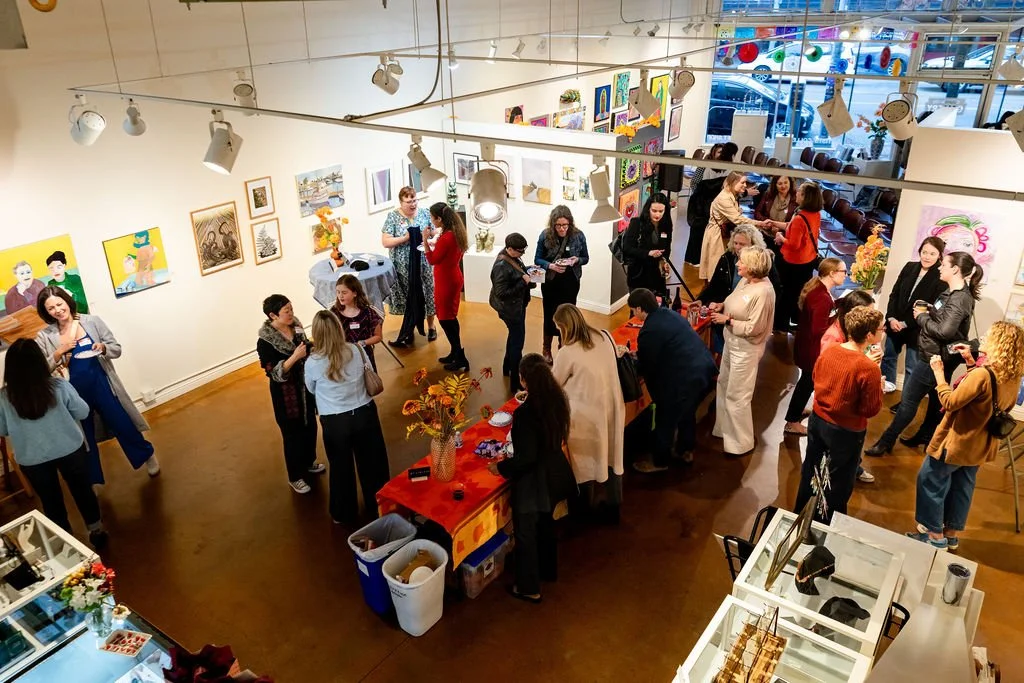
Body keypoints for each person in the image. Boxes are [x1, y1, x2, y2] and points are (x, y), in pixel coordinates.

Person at [906, 321, 1024, 551]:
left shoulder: (982, 374)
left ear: (999, 343)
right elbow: (983, 397)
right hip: (980, 445)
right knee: (962, 486)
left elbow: (950, 401)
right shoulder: (1011, 376)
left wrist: (939, 375)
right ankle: (951, 534)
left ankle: (934, 535)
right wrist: (971, 363)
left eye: (991, 335)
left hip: (957, 442)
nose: (985, 337)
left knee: (930, 480)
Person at [35, 286, 159, 486]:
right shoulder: (44, 336)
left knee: (123, 423)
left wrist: (103, 348)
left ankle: (147, 455)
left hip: (102, 384)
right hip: (73, 394)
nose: (57, 310)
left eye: (59, 304)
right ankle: (91, 479)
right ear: (45, 312)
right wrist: (58, 353)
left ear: (67, 301)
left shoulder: (91, 321)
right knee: (84, 439)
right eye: (51, 308)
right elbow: (42, 369)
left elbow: (116, 349)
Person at [865, 252, 984, 456]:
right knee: (937, 400)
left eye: (944, 264)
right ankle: (926, 435)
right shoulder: (953, 293)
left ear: (955, 269)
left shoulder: (959, 299)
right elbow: (945, 319)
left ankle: (885, 441)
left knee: (908, 402)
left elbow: (944, 331)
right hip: (939, 356)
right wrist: (929, 308)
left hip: (933, 358)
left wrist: (921, 318)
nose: (939, 267)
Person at [0, 339, 107, 548]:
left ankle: (65, 541)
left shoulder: (3, 398)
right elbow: (83, 411)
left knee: (50, 501)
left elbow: (2, 430)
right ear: (40, 361)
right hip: (70, 448)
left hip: (32, 459)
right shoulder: (58, 385)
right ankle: (96, 530)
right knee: (82, 491)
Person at [488, 354, 576, 604]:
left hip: (532, 483)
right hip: (554, 474)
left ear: (524, 380)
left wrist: (501, 467)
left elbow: (526, 457)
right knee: (546, 525)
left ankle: (528, 587)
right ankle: (549, 571)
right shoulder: (557, 401)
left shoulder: (526, 413)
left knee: (526, 534)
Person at [793, 306, 884, 523]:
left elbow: (816, 378)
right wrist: (878, 384)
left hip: (818, 420)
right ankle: (824, 525)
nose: (883, 332)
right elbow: (869, 409)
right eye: (880, 329)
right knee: (837, 483)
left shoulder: (830, 351)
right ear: (869, 335)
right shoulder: (868, 369)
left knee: (811, 471)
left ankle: (800, 516)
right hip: (846, 431)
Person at [305, 310, 391, 526]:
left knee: (340, 469)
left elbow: (311, 388)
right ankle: (378, 504)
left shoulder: (313, 362)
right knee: (374, 465)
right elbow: (369, 372)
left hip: (335, 422)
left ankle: (343, 512)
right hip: (364, 413)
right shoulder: (355, 349)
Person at [628, 288, 718, 472]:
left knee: (665, 416)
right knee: (687, 412)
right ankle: (686, 450)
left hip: (683, 378)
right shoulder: (669, 314)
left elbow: (647, 365)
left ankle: (659, 461)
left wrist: (633, 361)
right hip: (703, 369)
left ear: (638, 309)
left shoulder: (649, 330)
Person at [551, 304, 624, 519]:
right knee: (612, 456)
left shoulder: (568, 352)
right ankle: (614, 506)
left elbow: (554, 384)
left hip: (585, 416)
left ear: (564, 327)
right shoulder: (604, 336)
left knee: (584, 464)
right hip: (611, 406)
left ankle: (583, 511)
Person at [710, 246, 776, 457]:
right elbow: (735, 302)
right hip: (732, 342)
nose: (738, 264)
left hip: (745, 349)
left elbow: (754, 328)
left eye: (742, 261)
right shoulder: (746, 281)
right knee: (724, 384)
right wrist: (722, 306)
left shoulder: (764, 292)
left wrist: (727, 320)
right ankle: (723, 430)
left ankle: (740, 442)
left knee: (738, 394)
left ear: (753, 266)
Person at [258, 294, 323, 494]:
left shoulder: (296, 326)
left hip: (305, 388)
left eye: (291, 309)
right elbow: (273, 372)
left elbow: (306, 345)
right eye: (286, 311)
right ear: (273, 315)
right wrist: (295, 357)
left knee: (309, 426)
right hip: (287, 395)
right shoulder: (265, 342)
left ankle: (309, 461)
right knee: (292, 434)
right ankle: (295, 476)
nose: (291, 314)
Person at [783, 259, 847, 436]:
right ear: (832, 273)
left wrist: (838, 305)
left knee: (806, 383)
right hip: (812, 350)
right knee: (807, 383)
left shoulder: (818, 289)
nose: (846, 275)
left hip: (806, 346)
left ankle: (796, 411)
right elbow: (819, 329)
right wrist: (838, 317)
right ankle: (792, 421)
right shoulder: (822, 298)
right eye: (843, 271)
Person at [693, 225, 779, 355]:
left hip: (745, 336)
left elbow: (755, 326)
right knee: (722, 354)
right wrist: (702, 300)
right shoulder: (727, 258)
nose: (738, 247)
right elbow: (714, 284)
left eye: (742, 244)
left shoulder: (763, 270)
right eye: (736, 243)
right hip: (725, 321)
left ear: (753, 245)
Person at [882, 236, 947, 395]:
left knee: (911, 367)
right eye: (924, 252)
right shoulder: (909, 267)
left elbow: (931, 309)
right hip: (894, 323)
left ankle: (906, 400)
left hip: (916, 329)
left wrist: (904, 323)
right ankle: (886, 389)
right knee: (889, 358)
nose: (927, 256)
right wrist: (891, 318)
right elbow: (894, 294)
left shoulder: (941, 276)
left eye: (932, 254)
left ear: (939, 255)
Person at [381, 187, 436, 347]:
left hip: (423, 264)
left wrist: (428, 237)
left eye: (414, 200)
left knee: (428, 293)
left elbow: (433, 232)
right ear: (401, 202)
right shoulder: (393, 217)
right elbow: (386, 242)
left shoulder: (425, 213)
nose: (412, 204)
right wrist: (405, 238)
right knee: (408, 296)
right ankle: (409, 329)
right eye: (408, 201)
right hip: (402, 267)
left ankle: (431, 326)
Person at [535, 206, 590, 363]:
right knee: (549, 314)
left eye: (565, 225)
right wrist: (551, 266)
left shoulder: (578, 236)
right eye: (558, 225)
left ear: (570, 223)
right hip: (551, 282)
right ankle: (546, 348)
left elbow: (586, 257)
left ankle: (563, 346)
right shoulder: (545, 235)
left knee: (567, 315)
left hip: (571, 282)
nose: (562, 229)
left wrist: (576, 260)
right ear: (553, 224)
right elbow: (537, 259)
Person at [769, 181, 824, 328]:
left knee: (787, 294)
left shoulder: (800, 217)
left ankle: (780, 325)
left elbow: (794, 244)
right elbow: (792, 227)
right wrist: (774, 223)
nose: (796, 193)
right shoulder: (815, 214)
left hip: (795, 262)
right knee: (799, 292)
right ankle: (796, 320)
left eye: (799, 191)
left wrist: (780, 238)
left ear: (805, 196)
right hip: (808, 260)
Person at [424, 202, 469, 371]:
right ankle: (455, 352)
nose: (431, 221)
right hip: (452, 276)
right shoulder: (455, 232)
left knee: (445, 318)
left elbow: (432, 259)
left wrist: (425, 240)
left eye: (432, 217)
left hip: (446, 281)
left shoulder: (447, 237)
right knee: (450, 317)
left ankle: (459, 356)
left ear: (439, 219)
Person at [490, 233, 535, 394]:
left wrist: (528, 271)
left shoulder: (512, 257)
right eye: (520, 251)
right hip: (511, 310)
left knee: (514, 336)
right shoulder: (501, 266)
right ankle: (516, 381)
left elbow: (517, 273)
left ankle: (506, 367)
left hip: (516, 306)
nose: (522, 254)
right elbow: (501, 293)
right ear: (509, 249)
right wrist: (523, 282)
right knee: (517, 343)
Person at [699, 172, 764, 283]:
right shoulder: (724, 198)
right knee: (716, 265)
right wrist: (759, 223)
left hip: (722, 232)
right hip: (716, 234)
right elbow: (738, 219)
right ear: (733, 182)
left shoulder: (732, 195)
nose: (745, 185)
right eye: (742, 182)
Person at [621, 193, 673, 300]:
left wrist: (664, 261)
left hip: (657, 276)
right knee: (639, 310)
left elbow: (667, 248)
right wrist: (648, 253)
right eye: (654, 211)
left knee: (657, 309)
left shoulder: (666, 225)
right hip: (639, 275)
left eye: (661, 211)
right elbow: (627, 248)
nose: (657, 214)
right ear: (648, 209)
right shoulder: (637, 223)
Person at [330, 275, 384, 373]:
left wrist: (363, 343)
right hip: (343, 357)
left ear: (355, 293)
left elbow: (378, 336)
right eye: (338, 292)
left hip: (363, 356)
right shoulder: (334, 312)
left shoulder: (368, 312)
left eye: (344, 292)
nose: (340, 296)